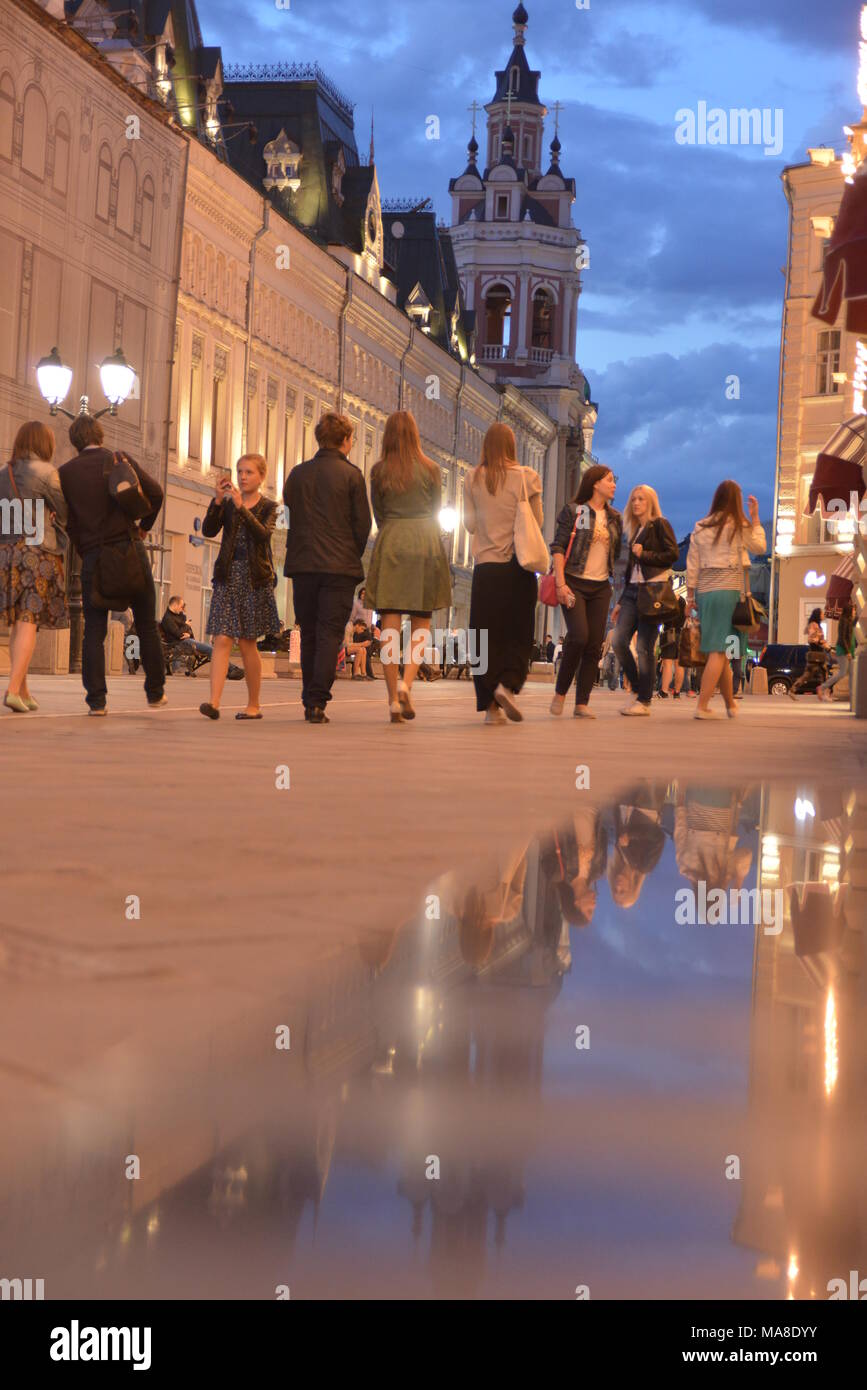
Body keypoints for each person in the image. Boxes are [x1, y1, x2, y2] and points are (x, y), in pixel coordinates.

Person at [59, 414, 165, 716]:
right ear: (99, 435)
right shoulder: (117, 458)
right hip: (130, 550)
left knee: (94, 630)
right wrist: (144, 526)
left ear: (75, 441)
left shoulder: (65, 473)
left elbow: (68, 520)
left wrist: (84, 546)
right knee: (146, 623)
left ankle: (97, 701)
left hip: (94, 556)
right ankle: (155, 692)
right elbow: (155, 492)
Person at [283, 412, 372, 724]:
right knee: (329, 633)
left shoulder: (297, 474)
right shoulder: (352, 476)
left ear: (319, 439)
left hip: (303, 564)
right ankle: (317, 701)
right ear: (346, 441)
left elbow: (290, 508)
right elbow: (363, 525)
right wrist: (350, 554)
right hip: (339, 568)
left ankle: (310, 696)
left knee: (308, 631)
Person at [365, 411, 451, 724]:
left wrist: (393, 529)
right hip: (425, 542)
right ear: (415, 435)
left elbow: (380, 513)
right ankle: (407, 683)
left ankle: (391, 700)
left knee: (389, 624)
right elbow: (435, 510)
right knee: (421, 623)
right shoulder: (431, 470)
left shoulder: (378, 472)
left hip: (392, 542)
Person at [462, 422, 542, 724]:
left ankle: (490, 704)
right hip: (518, 568)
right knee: (517, 633)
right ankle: (508, 685)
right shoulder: (528, 477)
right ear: (512, 446)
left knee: (484, 636)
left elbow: (470, 525)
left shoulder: (472, 478)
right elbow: (537, 520)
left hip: (486, 569)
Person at [199, 454, 279, 722]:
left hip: (254, 578)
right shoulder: (229, 504)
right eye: (240, 472)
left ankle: (253, 704)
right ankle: (213, 702)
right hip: (228, 575)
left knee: (247, 644)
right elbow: (209, 530)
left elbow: (263, 535)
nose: (243, 477)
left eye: (249, 472)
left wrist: (241, 507)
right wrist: (218, 501)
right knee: (222, 638)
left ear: (261, 477)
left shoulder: (270, 506)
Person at [0, 421, 69, 712]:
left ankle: (24, 689)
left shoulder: (3, 473)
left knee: (19, 622)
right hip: (36, 552)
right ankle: (13, 689)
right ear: (44, 444)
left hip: (7, 551)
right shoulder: (47, 472)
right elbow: (64, 509)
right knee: (29, 620)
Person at [685, 481, 766, 721]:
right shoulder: (739, 525)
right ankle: (702, 705)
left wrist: (690, 597)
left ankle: (730, 704)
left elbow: (692, 565)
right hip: (731, 592)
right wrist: (755, 518)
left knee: (722, 651)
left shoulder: (700, 527)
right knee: (721, 651)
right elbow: (760, 547)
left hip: (706, 593)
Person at [549, 464, 622, 719]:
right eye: (610, 480)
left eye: (615, 480)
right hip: (574, 583)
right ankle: (560, 692)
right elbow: (558, 547)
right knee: (578, 636)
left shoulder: (614, 517)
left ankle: (582, 702)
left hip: (601, 586)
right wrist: (560, 583)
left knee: (593, 644)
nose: (614, 484)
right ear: (595, 483)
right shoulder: (578, 511)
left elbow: (617, 556)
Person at [609, 485, 679, 717]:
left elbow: (672, 555)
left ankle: (644, 700)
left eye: (641, 499)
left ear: (650, 502)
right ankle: (641, 688)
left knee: (644, 648)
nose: (636, 503)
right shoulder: (635, 529)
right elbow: (631, 569)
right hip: (632, 592)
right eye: (633, 499)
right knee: (619, 641)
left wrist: (644, 554)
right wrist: (619, 601)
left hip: (653, 592)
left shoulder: (660, 523)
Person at [789, 608, 831, 700]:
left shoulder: (816, 625)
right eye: (822, 613)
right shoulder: (813, 625)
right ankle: (825, 694)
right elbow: (812, 639)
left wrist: (825, 645)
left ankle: (793, 690)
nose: (823, 615)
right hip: (816, 654)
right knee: (821, 674)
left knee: (811, 675)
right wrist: (824, 645)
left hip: (817, 653)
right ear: (818, 615)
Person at [818, 600, 856, 702]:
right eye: (853, 610)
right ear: (849, 611)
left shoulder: (850, 621)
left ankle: (854, 696)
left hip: (849, 650)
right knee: (842, 673)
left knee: (852, 673)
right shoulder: (844, 621)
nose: (854, 612)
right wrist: (848, 651)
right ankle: (822, 687)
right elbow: (843, 637)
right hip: (843, 650)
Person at [160, 596, 213, 666]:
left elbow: (186, 630)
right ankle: (229, 670)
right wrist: (187, 625)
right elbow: (178, 634)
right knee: (211, 649)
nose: (182, 609)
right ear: (175, 605)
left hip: (186, 641)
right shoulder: (168, 618)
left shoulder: (179, 615)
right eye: (181, 606)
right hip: (180, 643)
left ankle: (227, 669)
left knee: (211, 648)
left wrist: (188, 633)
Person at [659, 594, 687, 699]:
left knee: (667, 663)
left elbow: (664, 619)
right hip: (681, 633)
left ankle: (664, 692)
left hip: (669, 634)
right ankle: (677, 692)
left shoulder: (667, 599)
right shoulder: (683, 600)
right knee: (679, 664)